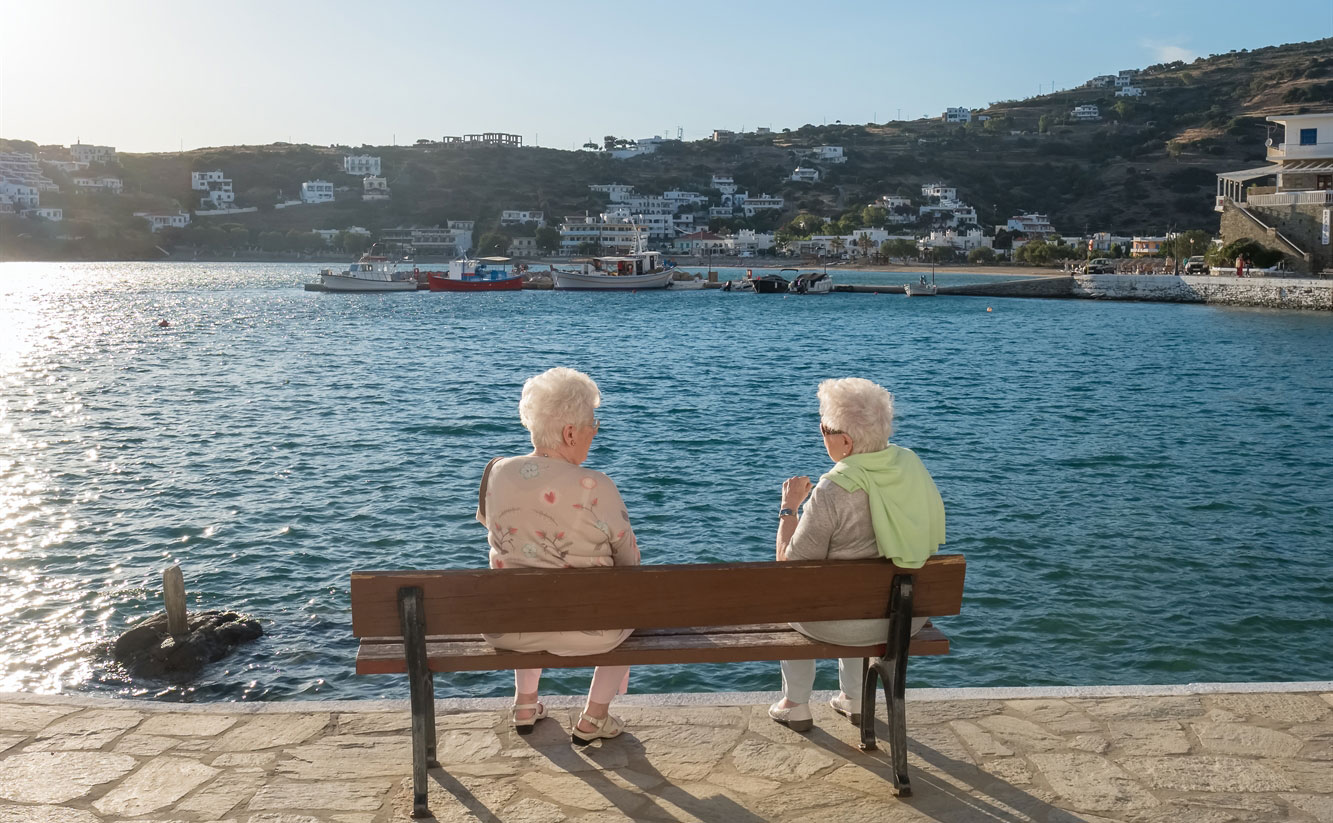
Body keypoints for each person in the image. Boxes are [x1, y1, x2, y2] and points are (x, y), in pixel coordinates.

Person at [768, 378, 946, 732]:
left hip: (843, 621)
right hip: (904, 619)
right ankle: (853, 698)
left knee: (787, 594)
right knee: (861, 595)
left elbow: (790, 566)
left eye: (825, 428)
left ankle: (795, 704)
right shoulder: (910, 465)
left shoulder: (833, 489)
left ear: (846, 442)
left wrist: (789, 508)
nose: (821, 434)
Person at [477, 367, 639, 745]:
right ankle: (594, 717)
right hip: (590, 632)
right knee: (635, 603)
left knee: (524, 584)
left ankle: (525, 704)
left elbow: (493, 531)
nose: (594, 433)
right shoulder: (596, 485)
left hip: (507, 627)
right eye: (592, 425)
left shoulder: (494, 472)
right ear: (570, 433)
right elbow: (630, 561)